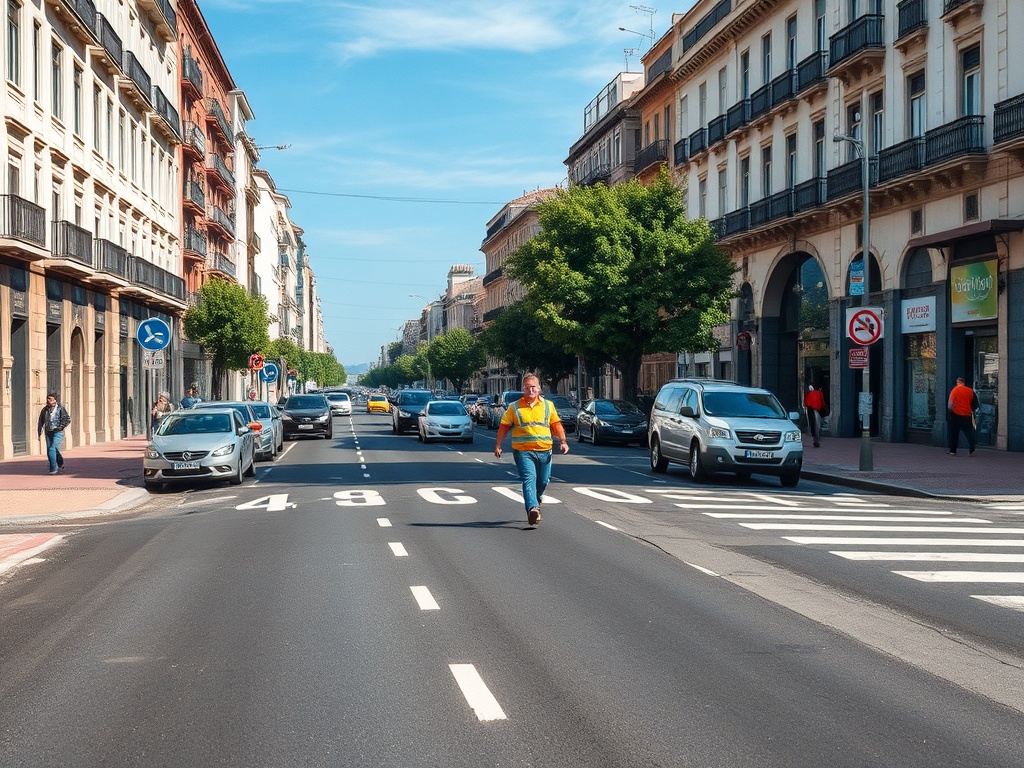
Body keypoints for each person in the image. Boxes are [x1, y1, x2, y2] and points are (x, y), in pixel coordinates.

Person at [493, 374, 569, 526]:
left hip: (545, 451)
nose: (530, 390)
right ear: (523, 389)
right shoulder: (514, 407)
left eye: (533, 387)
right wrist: (498, 445)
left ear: (539, 389)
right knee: (529, 479)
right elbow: (504, 426)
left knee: (543, 481)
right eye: (527, 387)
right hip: (523, 452)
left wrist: (563, 441)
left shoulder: (548, 406)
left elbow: (556, 425)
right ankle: (532, 509)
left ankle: (536, 502)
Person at [37, 392, 71, 474]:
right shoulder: (44, 410)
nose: (48, 401)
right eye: (47, 399)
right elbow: (41, 420)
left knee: (52, 448)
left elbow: (67, 419)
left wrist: (61, 427)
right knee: (50, 449)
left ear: (55, 400)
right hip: (48, 432)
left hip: (58, 432)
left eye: (50, 399)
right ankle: (60, 462)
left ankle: (53, 468)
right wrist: (39, 430)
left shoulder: (60, 409)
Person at [947, 377, 978, 456]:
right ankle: (972, 447)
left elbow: (950, 405)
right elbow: (976, 404)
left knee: (954, 433)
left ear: (957, 382)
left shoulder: (954, 390)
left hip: (956, 415)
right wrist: (970, 410)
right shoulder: (970, 391)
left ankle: (953, 450)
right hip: (967, 415)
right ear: (964, 383)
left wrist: (952, 410)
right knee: (968, 433)